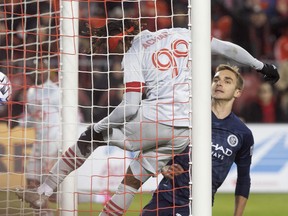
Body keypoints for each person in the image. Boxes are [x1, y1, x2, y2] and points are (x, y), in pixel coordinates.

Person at [16, 19, 279, 215]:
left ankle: (43, 191)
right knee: (133, 179)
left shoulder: (135, 51)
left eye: (113, 45)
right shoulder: (182, 33)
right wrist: (261, 66)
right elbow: (227, 49)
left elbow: (130, 107)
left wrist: (102, 126)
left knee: (90, 138)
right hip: (186, 130)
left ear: (124, 36)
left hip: (154, 120)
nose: (115, 51)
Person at [141, 64, 254, 216]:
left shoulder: (242, 133)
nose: (219, 83)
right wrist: (163, 167)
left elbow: (244, 178)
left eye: (227, 81)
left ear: (238, 92)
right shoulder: (187, 115)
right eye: (216, 80)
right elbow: (156, 143)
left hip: (198, 206)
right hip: (165, 198)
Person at [15, 58, 61, 216]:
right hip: (38, 143)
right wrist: (18, 122)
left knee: (49, 189)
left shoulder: (56, 91)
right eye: (36, 68)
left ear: (48, 70)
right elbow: (30, 117)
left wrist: (60, 147)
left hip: (53, 143)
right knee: (31, 183)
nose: (39, 71)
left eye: (42, 68)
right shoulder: (31, 92)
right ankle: (45, 213)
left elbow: (69, 117)